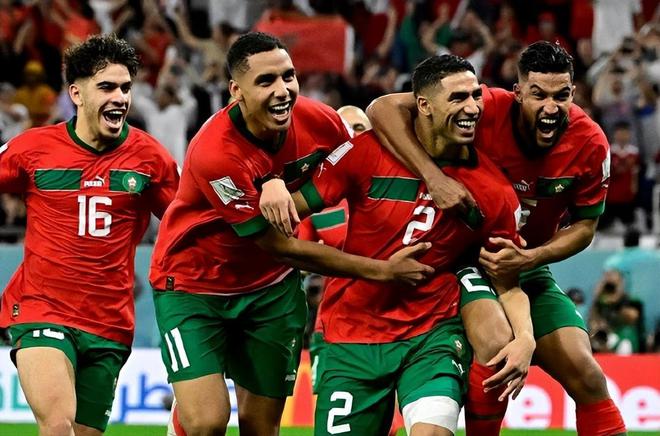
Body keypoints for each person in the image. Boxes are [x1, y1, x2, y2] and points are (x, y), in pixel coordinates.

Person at [151, 32, 433, 436]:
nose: (283, 90)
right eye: (266, 81)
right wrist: (382, 270)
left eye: (288, 76)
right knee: (207, 422)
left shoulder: (320, 121)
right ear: (236, 91)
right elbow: (279, 246)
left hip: (271, 291)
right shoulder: (215, 152)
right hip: (195, 286)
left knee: (261, 427)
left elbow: (359, 171)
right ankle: (185, 413)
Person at [367, 41, 627, 435]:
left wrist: (531, 258)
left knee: (587, 374)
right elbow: (382, 108)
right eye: (538, 95)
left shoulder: (590, 143)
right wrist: (433, 178)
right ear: (518, 92)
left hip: (523, 265)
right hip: (458, 259)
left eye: (561, 95)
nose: (551, 107)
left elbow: (585, 228)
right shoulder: (483, 107)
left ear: (574, 93)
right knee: (494, 345)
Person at [289, 54, 533, 436]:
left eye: (475, 96)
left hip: (431, 332)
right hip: (352, 333)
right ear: (424, 105)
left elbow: (508, 282)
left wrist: (526, 338)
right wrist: (271, 186)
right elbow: (287, 214)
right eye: (457, 98)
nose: (472, 108)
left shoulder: (495, 192)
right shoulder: (366, 152)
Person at [0, 34, 180, 436]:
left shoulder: (151, 159)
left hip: (109, 323)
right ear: (76, 94)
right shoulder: (33, 148)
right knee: (58, 425)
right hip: (42, 308)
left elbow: (188, 220)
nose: (120, 98)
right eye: (107, 87)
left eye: (125, 88)